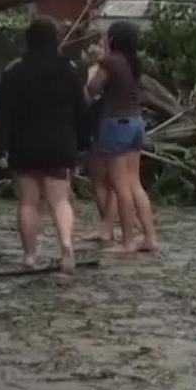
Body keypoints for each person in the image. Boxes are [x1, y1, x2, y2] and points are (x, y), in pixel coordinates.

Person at [0, 17, 92, 271]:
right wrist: (83, 144)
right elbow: (81, 111)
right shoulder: (70, 71)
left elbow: (1, 112)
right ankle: (66, 247)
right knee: (60, 200)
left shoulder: (14, 71)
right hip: (60, 145)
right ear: (56, 41)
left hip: (24, 146)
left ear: (28, 40)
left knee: (28, 201)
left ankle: (29, 256)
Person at [85, 21, 158, 253]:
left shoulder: (111, 61)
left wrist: (95, 67)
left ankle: (127, 243)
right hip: (136, 122)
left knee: (120, 185)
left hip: (116, 123)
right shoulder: (132, 62)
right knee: (135, 182)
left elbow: (92, 89)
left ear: (113, 39)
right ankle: (149, 238)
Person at [80, 37, 120, 245]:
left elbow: (89, 96)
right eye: (90, 45)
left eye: (96, 44)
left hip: (100, 123)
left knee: (105, 180)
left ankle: (107, 227)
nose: (92, 49)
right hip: (107, 123)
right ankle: (107, 227)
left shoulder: (101, 70)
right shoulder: (122, 67)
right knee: (105, 180)